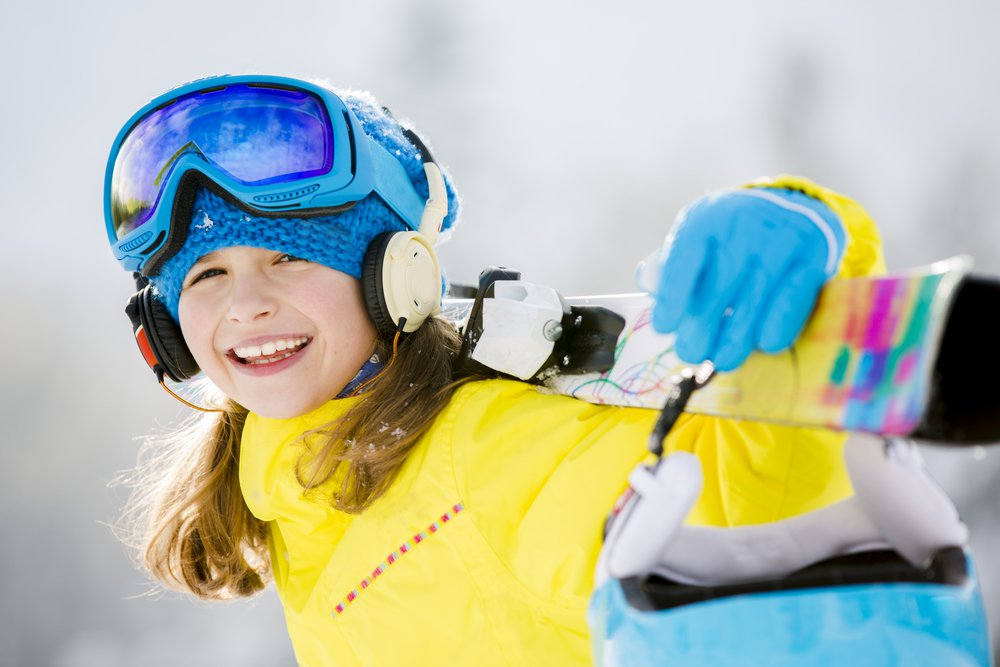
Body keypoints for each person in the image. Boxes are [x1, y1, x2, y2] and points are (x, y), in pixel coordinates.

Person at [104, 74, 885, 666]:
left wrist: (817, 250)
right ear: (165, 326)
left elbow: (748, 504)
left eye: (289, 257)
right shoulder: (292, 494)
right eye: (207, 276)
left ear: (394, 274)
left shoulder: (485, 460)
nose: (246, 305)